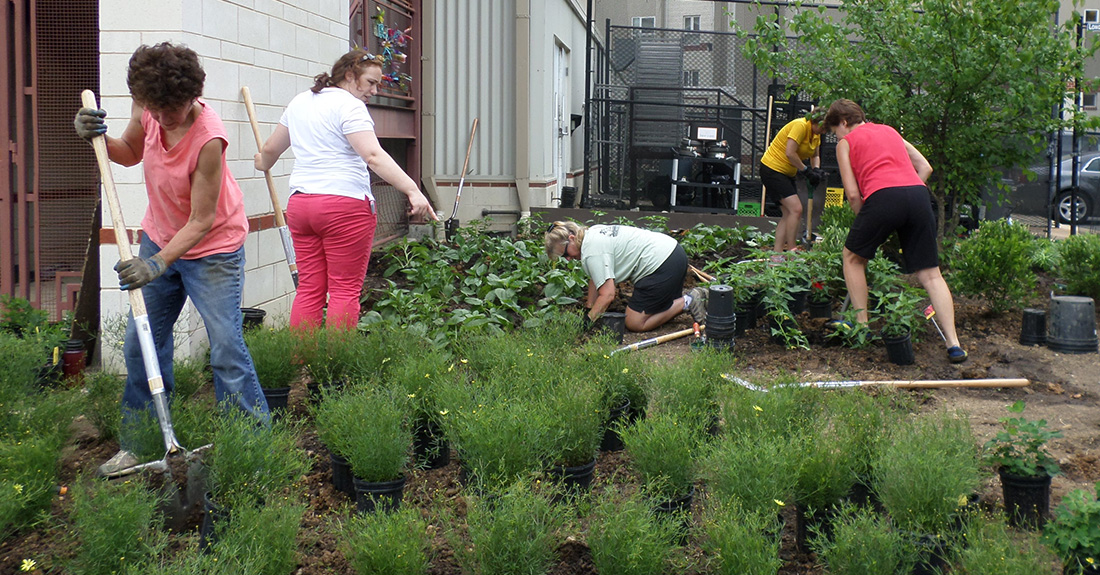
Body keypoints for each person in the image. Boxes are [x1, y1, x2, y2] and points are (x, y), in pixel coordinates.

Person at [73, 42, 270, 476]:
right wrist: (95, 134)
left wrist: (157, 264)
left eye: (173, 110)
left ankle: (253, 446)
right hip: (159, 238)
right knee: (140, 346)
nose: (163, 119)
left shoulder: (209, 138)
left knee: (225, 347)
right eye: (155, 109)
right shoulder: (150, 109)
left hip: (213, 250)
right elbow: (127, 152)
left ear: (192, 96)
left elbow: (202, 220)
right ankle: (140, 442)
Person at [255, 49, 437, 330]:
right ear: (350, 75)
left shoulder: (300, 101)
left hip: (302, 207)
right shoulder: (350, 107)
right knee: (343, 290)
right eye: (371, 82)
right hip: (344, 208)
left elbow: (269, 151)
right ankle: (335, 368)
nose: (375, 91)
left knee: (309, 289)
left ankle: (302, 363)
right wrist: (413, 190)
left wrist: (260, 162)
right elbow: (373, 156)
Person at [823, 98, 968, 363]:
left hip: (882, 199)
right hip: (918, 196)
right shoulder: (890, 131)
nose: (837, 137)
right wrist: (905, 195)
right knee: (931, 275)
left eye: (835, 131)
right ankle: (954, 344)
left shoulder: (846, 144)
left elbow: (854, 195)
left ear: (843, 122)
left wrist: (870, 223)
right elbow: (925, 167)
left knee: (852, 258)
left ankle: (862, 326)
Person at [544, 221, 707, 332]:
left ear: (571, 239)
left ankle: (689, 300)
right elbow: (596, 277)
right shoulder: (591, 234)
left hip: (661, 266)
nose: (567, 259)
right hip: (673, 253)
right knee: (658, 309)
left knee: (634, 322)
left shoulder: (592, 251)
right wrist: (589, 308)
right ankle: (679, 303)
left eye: (565, 253)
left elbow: (607, 295)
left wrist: (587, 323)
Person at [760, 107, 828, 252]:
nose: (825, 131)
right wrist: (805, 170)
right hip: (772, 169)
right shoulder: (800, 125)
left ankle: (776, 254)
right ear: (817, 122)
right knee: (796, 209)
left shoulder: (815, 135)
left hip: (787, 173)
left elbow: (815, 155)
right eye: (824, 127)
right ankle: (792, 249)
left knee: (788, 213)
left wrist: (816, 170)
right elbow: (790, 153)